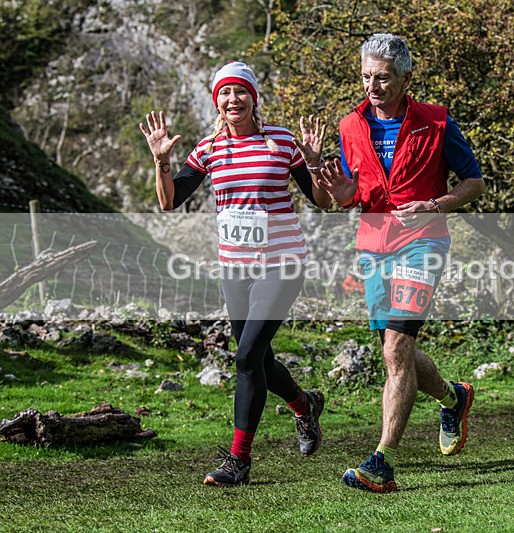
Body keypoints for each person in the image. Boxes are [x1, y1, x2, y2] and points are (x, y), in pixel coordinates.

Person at [138, 61, 332, 486]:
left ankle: (238, 461)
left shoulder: (281, 141)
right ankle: (305, 404)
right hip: (235, 268)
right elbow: (170, 201)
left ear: (253, 98)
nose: (233, 100)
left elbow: (318, 199)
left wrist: (315, 164)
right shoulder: (208, 149)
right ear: (217, 101)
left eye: (240, 92)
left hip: (282, 264)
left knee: (245, 357)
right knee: (257, 357)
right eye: (225, 93)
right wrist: (161, 162)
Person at [315, 33, 485, 493]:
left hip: (423, 243)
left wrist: (436, 204)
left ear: (407, 77)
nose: (373, 86)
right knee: (398, 349)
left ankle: (382, 461)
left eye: (383, 78)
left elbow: (474, 182)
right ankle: (454, 397)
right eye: (367, 76)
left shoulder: (436, 121)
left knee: (395, 350)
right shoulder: (349, 127)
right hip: (373, 245)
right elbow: (351, 193)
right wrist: (346, 196)